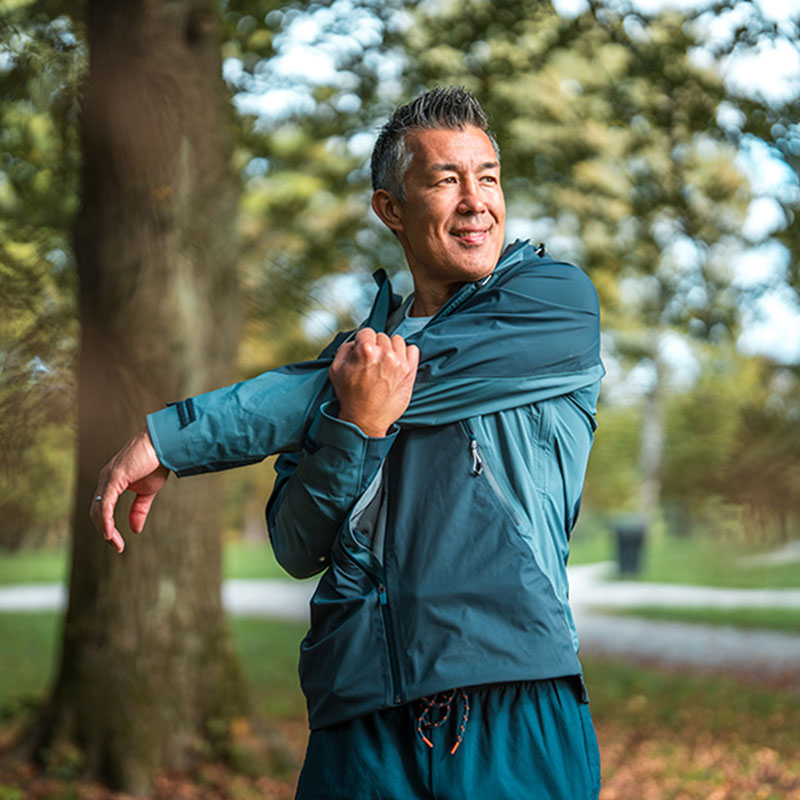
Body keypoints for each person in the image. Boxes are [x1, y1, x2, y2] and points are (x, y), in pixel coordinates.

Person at [91, 87, 604, 799]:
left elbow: (373, 381)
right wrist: (356, 427)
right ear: (390, 207)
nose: (476, 203)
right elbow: (296, 544)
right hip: (358, 715)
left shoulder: (551, 305)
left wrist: (173, 437)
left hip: (510, 701)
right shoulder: (346, 361)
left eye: (488, 178)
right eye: (446, 180)